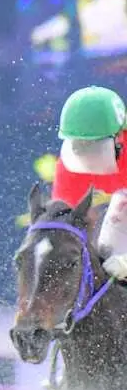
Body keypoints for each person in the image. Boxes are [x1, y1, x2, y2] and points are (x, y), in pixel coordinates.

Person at [53, 85, 127, 279]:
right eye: (79, 147)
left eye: (96, 147)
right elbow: (65, 221)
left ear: (119, 138)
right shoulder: (70, 166)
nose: (87, 157)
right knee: (106, 254)